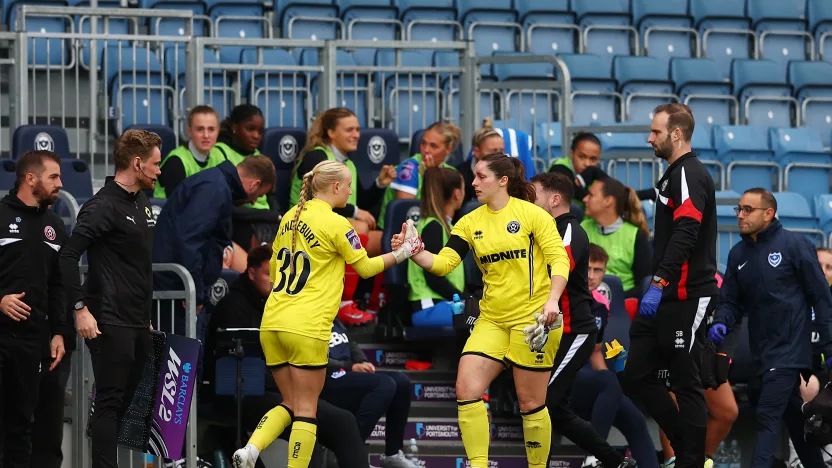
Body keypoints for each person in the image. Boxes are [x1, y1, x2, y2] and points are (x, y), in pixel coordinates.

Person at [231, 160, 424, 468]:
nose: (350, 191)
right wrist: (403, 253)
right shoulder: (336, 223)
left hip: (273, 322)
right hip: (306, 326)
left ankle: (251, 448)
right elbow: (365, 268)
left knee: (289, 403)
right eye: (348, 185)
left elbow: (276, 270)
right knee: (306, 410)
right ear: (335, 187)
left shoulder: (290, 216)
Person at [394, 153, 571, 468]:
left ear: (503, 181)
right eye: (474, 176)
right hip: (492, 320)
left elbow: (559, 260)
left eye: (481, 177)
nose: (473, 182)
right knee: (466, 388)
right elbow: (444, 263)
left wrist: (552, 300)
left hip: (533, 320)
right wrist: (414, 250)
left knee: (530, 403)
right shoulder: (469, 221)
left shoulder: (533, 215)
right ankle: (478, 465)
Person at [619, 103, 719, 468]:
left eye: (655, 132)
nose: (649, 138)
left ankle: (691, 460)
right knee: (634, 375)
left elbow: (687, 230)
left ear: (676, 134)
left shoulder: (688, 172)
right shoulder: (674, 173)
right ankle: (687, 449)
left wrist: (659, 281)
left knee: (686, 382)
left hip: (687, 295)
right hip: (664, 296)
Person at [207, 246, 371, 468]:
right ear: (252, 273)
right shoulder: (233, 306)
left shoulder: (281, 303)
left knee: (344, 422)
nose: (275, 281)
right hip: (245, 392)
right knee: (306, 429)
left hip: (284, 390)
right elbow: (237, 364)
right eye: (269, 274)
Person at [58, 129, 162, 468]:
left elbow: (136, 265)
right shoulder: (102, 205)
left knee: (124, 405)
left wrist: (144, 314)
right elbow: (68, 256)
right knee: (110, 402)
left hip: (137, 320)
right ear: (137, 163)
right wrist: (80, 309)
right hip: (109, 319)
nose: (159, 170)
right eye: (155, 164)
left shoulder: (142, 201)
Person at [709, 188, 832, 467]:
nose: (740, 215)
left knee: (766, 415)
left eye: (747, 210)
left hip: (790, 352)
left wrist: (829, 346)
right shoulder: (738, 254)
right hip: (762, 354)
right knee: (796, 422)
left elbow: (821, 298)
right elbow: (730, 302)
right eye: (739, 209)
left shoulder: (794, 245)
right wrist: (721, 322)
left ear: (768, 213)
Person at [529, 172, 636, 468]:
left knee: (543, 402)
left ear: (554, 199)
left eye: (534, 194)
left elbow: (557, 270)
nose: (528, 200)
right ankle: (616, 462)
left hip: (574, 330)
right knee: (555, 409)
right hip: (553, 331)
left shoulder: (569, 230)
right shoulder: (547, 229)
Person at [152, 155, 276, 333]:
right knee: (179, 350)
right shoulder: (214, 188)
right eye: (260, 195)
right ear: (254, 185)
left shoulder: (215, 184)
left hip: (179, 290)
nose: (255, 201)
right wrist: (195, 293)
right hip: (177, 292)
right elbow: (190, 240)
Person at [0, 150, 70, 468]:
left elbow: (59, 285)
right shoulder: (1, 216)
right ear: (30, 179)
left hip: (33, 343)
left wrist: (59, 332)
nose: (60, 183)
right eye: (53, 177)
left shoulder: (54, 225)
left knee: (24, 430)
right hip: (1, 336)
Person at [320, 319, 417, 468]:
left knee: (401, 382)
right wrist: (350, 366)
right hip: (326, 378)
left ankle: (392, 454)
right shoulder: (306, 318)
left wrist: (362, 361)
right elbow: (313, 359)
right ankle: (347, 451)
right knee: (384, 384)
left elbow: (350, 343)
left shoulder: (332, 317)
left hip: (348, 372)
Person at [216, 104, 282, 250]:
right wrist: (268, 216)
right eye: (250, 129)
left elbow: (272, 197)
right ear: (235, 127)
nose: (256, 136)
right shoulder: (220, 153)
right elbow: (226, 206)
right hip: (241, 221)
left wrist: (277, 216)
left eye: (260, 131)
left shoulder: (260, 156)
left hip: (266, 220)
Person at [408, 167, 467, 327]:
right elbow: (434, 278)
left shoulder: (446, 226)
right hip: (429, 306)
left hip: (445, 304)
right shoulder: (433, 226)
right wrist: (465, 299)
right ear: (457, 194)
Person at [378, 121, 461, 229]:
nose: (426, 150)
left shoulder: (451, 173)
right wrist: (429, 178)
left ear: (448, 149)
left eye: (433, 146)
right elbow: (406, 215)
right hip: (398, 232)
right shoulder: (408, 169)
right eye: (423, 143)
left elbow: (452, 210)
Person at [581, 177, 652, 298]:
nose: (584, 199)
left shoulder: (636, 236)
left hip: (622, 304)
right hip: (584, 302)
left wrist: (616, 300)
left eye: (591, 195)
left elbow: (644, 285)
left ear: (608, 201)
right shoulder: (582, 228)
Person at [154, 105, 225, 198]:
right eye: (200, 129)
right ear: (189, 131)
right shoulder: (176, 162)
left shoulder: (219, 154)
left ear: (218, 131)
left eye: (211, 129)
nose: (206, 135)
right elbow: (177, 205)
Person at [548, 132, 606, 205]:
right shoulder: (558, 168)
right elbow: (573, 190)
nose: (587, 164)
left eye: (593, 159)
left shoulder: (594, 173)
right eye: (582, 157)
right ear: (572, 154)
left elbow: (615, 194)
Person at [457, 119, 505, 203]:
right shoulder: (460, 175)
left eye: (501, 151)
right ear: (477, 151)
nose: (498, 155)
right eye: (493, 151)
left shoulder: (510, 174)